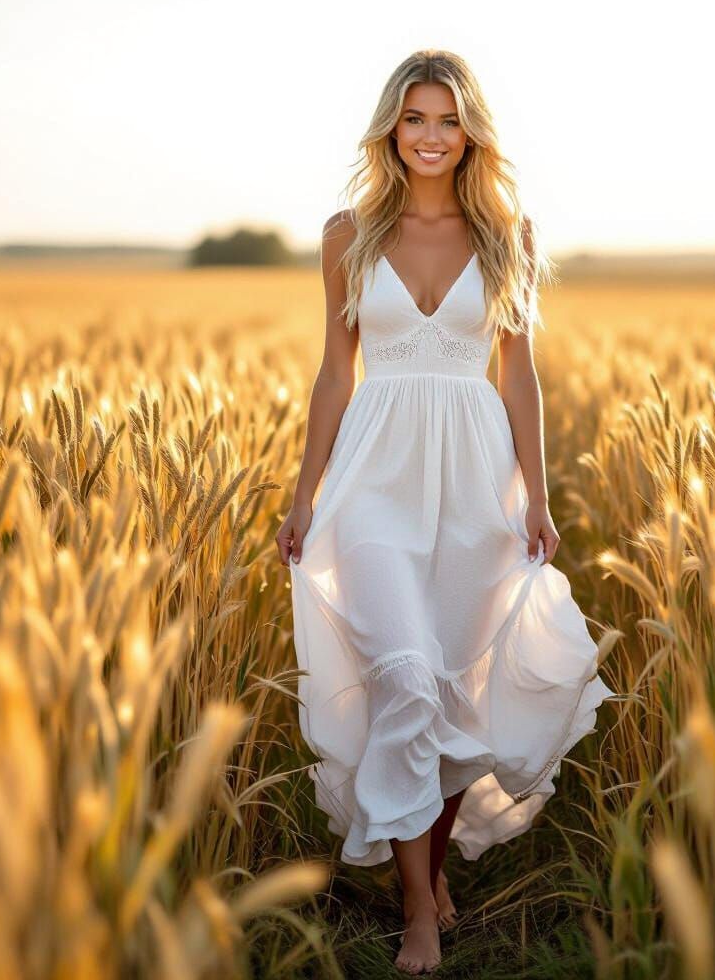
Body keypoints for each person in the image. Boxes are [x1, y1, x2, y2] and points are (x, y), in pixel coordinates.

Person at [276, 48, 615, 975]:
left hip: (476, 487)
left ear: (471, 133)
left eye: (447, 120)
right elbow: (334, 373)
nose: (431, 136)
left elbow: (522, 376)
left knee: (459, 688)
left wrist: (537, 499)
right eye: (415, 119)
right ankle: (420, 906)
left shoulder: (509, 233)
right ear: (392, 128)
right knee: (407, 680)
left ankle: (419, 873)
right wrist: (303, 495)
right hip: (374, 481)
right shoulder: (348, 235)